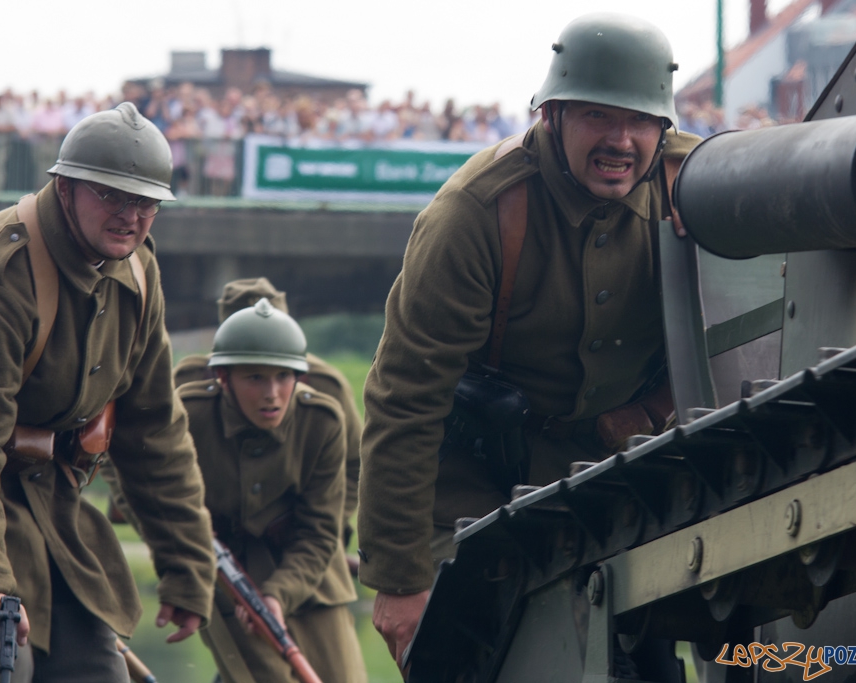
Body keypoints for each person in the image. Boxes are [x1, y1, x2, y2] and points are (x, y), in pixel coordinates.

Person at [357, 13, 702, 670]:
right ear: (552, 115)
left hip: (614, 471)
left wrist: (716, 188)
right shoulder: (477, 212)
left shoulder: (690, 179)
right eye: (598, 116)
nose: (621, 140)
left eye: (640, 122)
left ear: (665, 129)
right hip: (475, 481)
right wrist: (400, 578)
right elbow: (407, 397)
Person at [0, 102, 216, 681]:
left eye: (145, 202)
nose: (130, 216)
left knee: (96, 673)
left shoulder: (138, 271)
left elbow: (153, 431)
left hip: (46, 499)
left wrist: (186, 563)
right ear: (65, 189)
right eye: (111, 196)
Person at [180, 298, 366, 683]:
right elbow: (140, 475)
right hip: (226, 573)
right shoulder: (188, 416)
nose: (272, 393)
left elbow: (319, 533)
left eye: (284, 376)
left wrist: (277, 595)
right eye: (255, 378)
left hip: (310, 574)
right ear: (223, 377)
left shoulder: (322, 422)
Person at [172, 277, 362, 558]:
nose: (272, 392)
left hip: (305, 553)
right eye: (254, 375)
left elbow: (354, 465)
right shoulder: (191, 386)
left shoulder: (323, 386)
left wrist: (322, 521)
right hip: (214, 553)